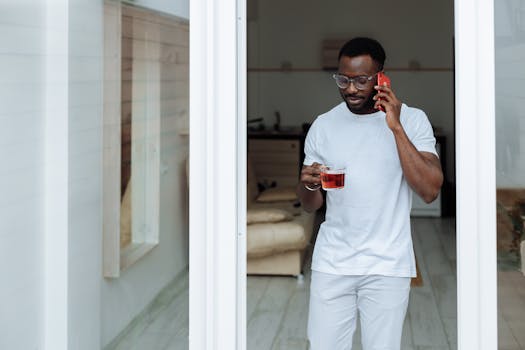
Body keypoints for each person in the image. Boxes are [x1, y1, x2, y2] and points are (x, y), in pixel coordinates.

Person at [297, 37, 443, 350]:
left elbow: (430, 190)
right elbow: (311, 205)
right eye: (344, 79)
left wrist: (395, 126)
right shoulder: (324, 126)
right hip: (332, 262)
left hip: (387, 264)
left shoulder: (413, 121)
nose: (351, 89)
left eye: (362, 80)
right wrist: (308, 184)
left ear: (382, 77)